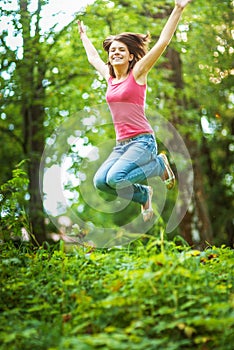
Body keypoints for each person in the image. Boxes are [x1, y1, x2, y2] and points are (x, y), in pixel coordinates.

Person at [78, 0, 191, 222]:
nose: (115, 53)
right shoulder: (110, 78)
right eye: (112, 50)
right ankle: (143, 195)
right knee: (101, 181)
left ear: (131, 56)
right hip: (122, 146)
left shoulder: (138, 73)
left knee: (116, 178)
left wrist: (178, 9)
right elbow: (93, 58)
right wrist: (83, 36)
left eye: (121, 50)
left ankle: (159, 164)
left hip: (142, 142)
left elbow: (163, 42)